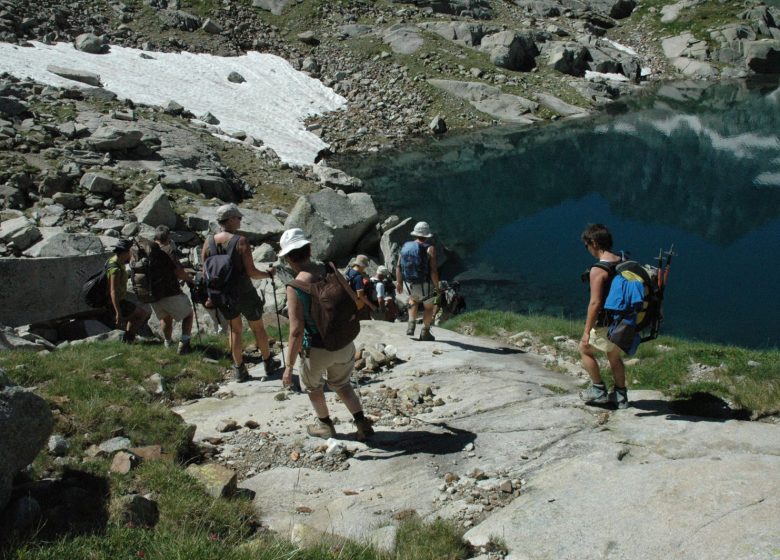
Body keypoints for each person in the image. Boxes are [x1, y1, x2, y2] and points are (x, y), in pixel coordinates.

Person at [279, 228, 374, 441]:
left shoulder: (295, 287)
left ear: (287, 258)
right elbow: (352, 299)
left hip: (317, 348)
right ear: (309, 249)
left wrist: (288, 367)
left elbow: (296, 331)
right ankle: (361, 422)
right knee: (342, 384)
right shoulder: (329, 268)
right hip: (344, 343)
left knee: (313, 386)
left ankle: (325, 425)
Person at [201, 203, 279, 382]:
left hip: (222, 294)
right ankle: (268, 363)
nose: (240, 220)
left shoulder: (209, 241)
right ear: (229, 220)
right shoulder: (240, 241)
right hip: (243, 291)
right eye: (238, 217)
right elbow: (251, 271)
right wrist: (267, 274)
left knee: (235, 330)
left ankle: (239, 369)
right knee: (257, 327)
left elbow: (205, 270)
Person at [579, 224, 628, 409]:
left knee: (584, 349)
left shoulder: (598, 269)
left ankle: (598, 390)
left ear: (593, 243)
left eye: (587, 246)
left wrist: (586, 331)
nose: (588, 249)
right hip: (623, 321)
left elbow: (595, 303)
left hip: (606, 322)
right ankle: (621, 396)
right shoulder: (622, 259)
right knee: (614, 356)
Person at [150, 226, 195, 354]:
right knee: (188, 314)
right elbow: (179, 272)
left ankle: (168, 344)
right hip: (169, 291)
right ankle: (184, 344)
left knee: (165, 317)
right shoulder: (168, 250)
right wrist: (189, 279)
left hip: (152, 293)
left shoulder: (147, 250)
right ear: (168, 237)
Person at [396, 221, 440, 341]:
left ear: (415, 234)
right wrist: (437, 286)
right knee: (428, 308)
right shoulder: (430, 248)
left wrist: (399, 282)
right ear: (427, 235)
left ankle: (411, 325)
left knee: (412, 301)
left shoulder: (406, 246)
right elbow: (433, 271)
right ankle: (425, 332)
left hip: (409, 283)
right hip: (425, 284)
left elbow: (398, 266)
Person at [106, 238, 151, 343]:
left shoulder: (114, 260)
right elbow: (113, 291)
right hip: (115, 302)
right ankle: (128, 339)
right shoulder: (115, 269)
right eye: (130, 251)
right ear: (126, 252)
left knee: (137, 315)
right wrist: (118, 312)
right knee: (141, 314)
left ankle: (128, 340)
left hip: (118, 300)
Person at [345, 254, 376, 320]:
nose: (364, 268)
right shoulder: (358, 277)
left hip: (347, 300)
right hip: (356, 305)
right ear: (361, 266)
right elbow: (360, 296)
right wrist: (371, 306)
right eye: (364, 266)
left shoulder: (349, 271)